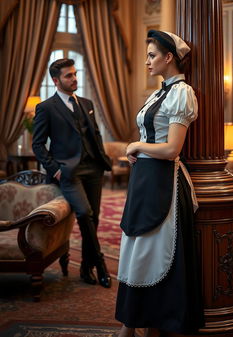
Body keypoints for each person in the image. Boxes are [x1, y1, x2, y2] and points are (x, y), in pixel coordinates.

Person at [115, 30, 205, 337]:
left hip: (164, 184)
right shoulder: (159, 93)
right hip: (145, 182)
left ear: (169, 58)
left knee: (152, 253)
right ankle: (134, 324)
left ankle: (145, 325)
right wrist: (137, 148)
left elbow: (171, 150)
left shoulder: (182, 93)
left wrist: (136, 147)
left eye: (152, 55)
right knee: (136, 248)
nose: (147, 61)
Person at [32, 58, 112, 288]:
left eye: (75, 74)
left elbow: (94, 135)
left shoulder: (86, 102)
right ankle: (101, 264)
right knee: (84, 213)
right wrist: (55, 170)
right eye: (68, 76)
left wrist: (102, 160)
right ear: (56, 80)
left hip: (93, 168)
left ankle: (86, 267)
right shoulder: (46, 107)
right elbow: (37, 145)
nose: (74, 78)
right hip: (68, 172)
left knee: (94, 218)